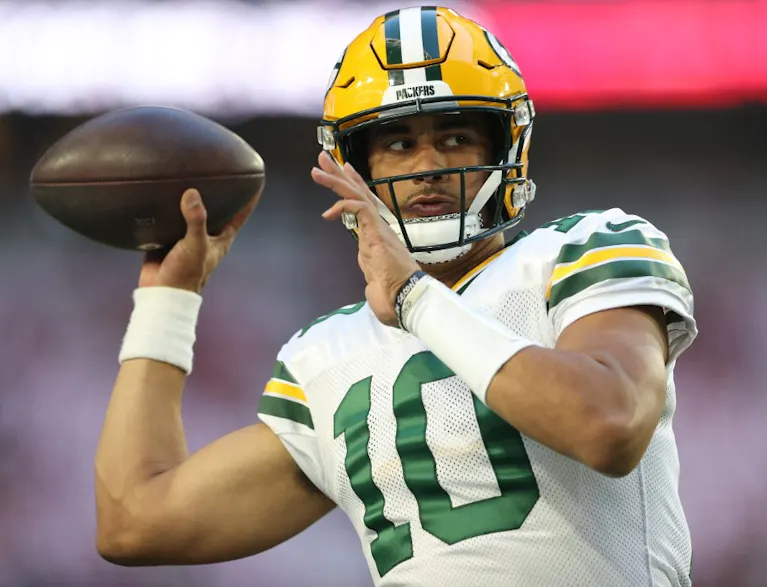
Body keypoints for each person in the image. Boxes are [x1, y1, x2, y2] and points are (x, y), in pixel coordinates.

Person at [94, 6, 697, 587]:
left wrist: (415, 297)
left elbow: (609, 424)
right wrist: (168, 297)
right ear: (353, 167)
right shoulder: (326, 357)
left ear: (504, 150)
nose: (428, 165)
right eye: (399, 144)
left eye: (456, 136)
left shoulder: (587, 248)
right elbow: (135, 521)